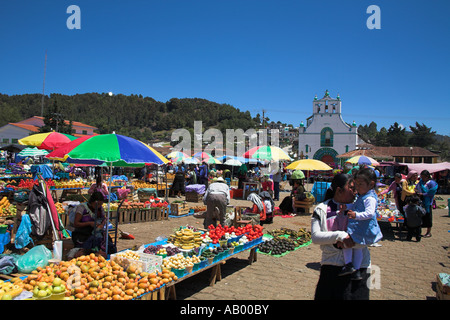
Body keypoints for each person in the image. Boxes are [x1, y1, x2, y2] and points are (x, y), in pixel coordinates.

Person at [312, 173, 371, 300]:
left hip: (359, 269)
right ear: (339, 190)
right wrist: (340, 236)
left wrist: (351, 241)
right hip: (332, 266)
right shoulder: (321, 209)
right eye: (352, 188)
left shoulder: (362, 207)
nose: (355, 192)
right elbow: (316, 237)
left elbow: (371, 233)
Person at [340, 168, 383, 280]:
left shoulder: (369, 198)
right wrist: (347, 207)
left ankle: (349, 265)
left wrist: (356, 215)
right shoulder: (363, 196)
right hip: (360, 228)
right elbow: (356, 207)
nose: (357, 187)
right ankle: (356, 271)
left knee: (347, 245)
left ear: (371, 184)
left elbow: (369, 213)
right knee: (358, 248)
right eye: (356, 184)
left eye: (360, 184)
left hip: (362, 229)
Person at [71, 191, 116, 257]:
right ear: (93, 201)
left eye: (100, 205)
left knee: (107, 242)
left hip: (97, 232)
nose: (99, 206)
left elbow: (104, 219)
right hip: (83, 233)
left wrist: (101, 225)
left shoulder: (100, 209)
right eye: (97, 204)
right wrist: (89, 223)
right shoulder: (82, 208)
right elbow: (76, 224)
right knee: (87, 247)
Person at [415, 170, 438, 238]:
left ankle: (428, 232)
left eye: (423, 177)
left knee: (428, 217)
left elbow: (432, 192)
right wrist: (417, 191)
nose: (422, 178)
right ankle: (419, 231)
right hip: (420, 201)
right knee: (420, 216)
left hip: (428, 202)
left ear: (427, 176)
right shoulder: (421, 182)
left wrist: (423, 194)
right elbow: (417, 187)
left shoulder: (432, 183)